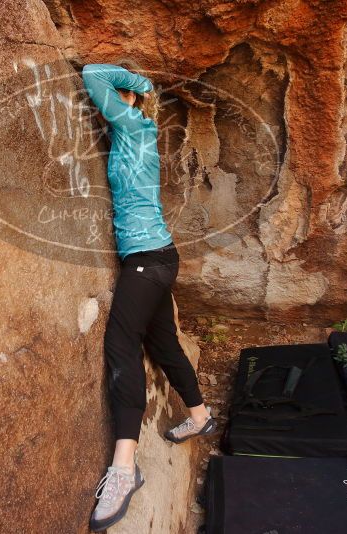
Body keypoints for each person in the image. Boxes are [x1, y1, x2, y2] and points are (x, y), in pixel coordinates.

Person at [81, 62, 217, 532]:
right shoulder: (130, 133)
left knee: (121, 346)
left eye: (117, 101)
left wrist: (137, 89)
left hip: (146, 260)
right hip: (157, 258)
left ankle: (124, 467)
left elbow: (94, 73)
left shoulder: (134, 125)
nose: (108, 107)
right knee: (163, 346)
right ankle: (199, 415)